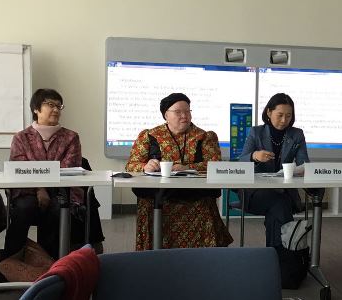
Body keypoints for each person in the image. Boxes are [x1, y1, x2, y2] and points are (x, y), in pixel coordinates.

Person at [2, 88, 103, 262]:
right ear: (36, 109)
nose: (56, 109)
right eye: (50, 104)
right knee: (23, 209)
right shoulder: (21, 138)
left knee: (58, 209)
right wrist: (40, 189)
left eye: (59, 106)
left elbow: (68, 167)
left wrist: (47, 190)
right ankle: (8, 263)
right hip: (28, 191)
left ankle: (50, 262)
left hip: (61, 190)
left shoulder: (71, 137)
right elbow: (20, 169)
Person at [125, 93, 232, 250]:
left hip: (196, 197)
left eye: (187, 111)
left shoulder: (205, 136)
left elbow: (215, 165)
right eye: (178, 112)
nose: (184, 116)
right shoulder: (149, 136)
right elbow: (131, 165)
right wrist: (145, 166)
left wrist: (188, 168)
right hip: (158, 197)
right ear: (165, 115)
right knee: (151, 204)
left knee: (205, 206)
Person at [239, 93, 309, 247]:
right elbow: (242, 161)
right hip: (255, 192)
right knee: (279, 203)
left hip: (284, 191)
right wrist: (254, 156)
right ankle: (287, 251)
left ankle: (275, 255)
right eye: (280, 115)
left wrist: (300, 169)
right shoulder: (256, 132)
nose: (284, 120)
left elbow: (305, 164)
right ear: (269, 112)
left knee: (276, 209)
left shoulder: (296, 134)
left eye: (289, 116)